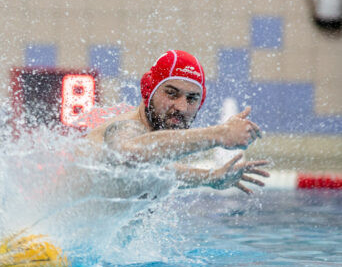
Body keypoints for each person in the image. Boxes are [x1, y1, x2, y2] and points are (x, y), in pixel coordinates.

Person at [85, 50, 269, 194]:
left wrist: (212, 178)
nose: (181, 107)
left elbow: (160, 172)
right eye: (171, 93)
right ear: (148, 90)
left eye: (192, 98)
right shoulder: (126, 127)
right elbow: (127, 155)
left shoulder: (152, 148)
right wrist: (220, 134)